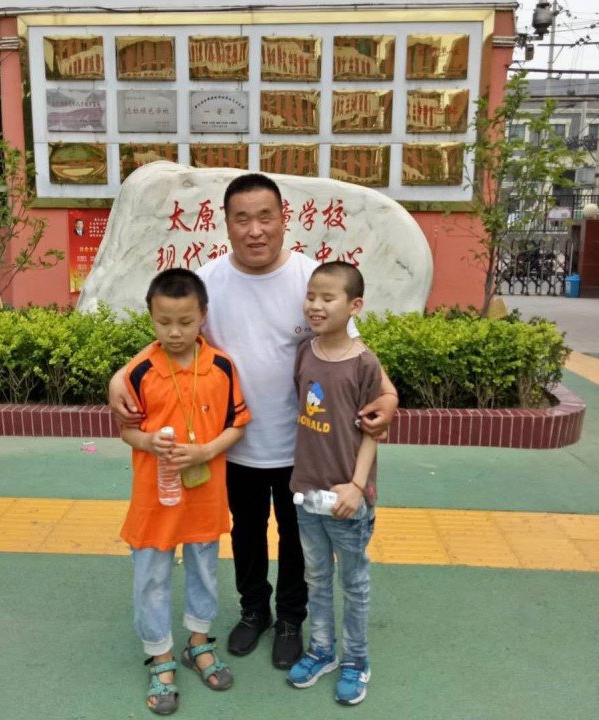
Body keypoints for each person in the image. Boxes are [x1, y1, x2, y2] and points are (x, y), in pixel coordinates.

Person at [109, 173, 398, 671]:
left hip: (303, 448)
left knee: (296, 539)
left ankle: (290, 620)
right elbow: (175, 334)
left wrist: (389, 394)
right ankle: (253, 611)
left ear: (284, 219)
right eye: (242, 219)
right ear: (226, 224)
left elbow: (350, 346)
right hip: (232, 443)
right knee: (245, 532)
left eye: (266, 217)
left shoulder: (310, 280)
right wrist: (120, 374)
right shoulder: (210, 280)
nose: (255, 230)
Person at [118, 268, 251, 715]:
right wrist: (147, 441)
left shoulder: (222, 367)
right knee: (151, 576)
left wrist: (206, 450)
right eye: (164, 322)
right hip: (154, 497)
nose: (174, 332)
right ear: (150, 318)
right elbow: (126, 431)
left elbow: (237, 425)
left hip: (205, 495)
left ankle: (198, 642)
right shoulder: (139, 372)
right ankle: (160, 657)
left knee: (205, 570)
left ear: (203, 316)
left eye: (186, 322)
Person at [286, 261, 389, 706]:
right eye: (311, 296)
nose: (316, 305)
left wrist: (357, 486)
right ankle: (322, 650)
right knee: (316, 577)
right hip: (307, 492)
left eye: (328, 298)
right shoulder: (305, 352)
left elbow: (372, 431)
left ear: (354, 305)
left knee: (354, 582)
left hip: (348, 498)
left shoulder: (364, 362)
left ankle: (356, 660)